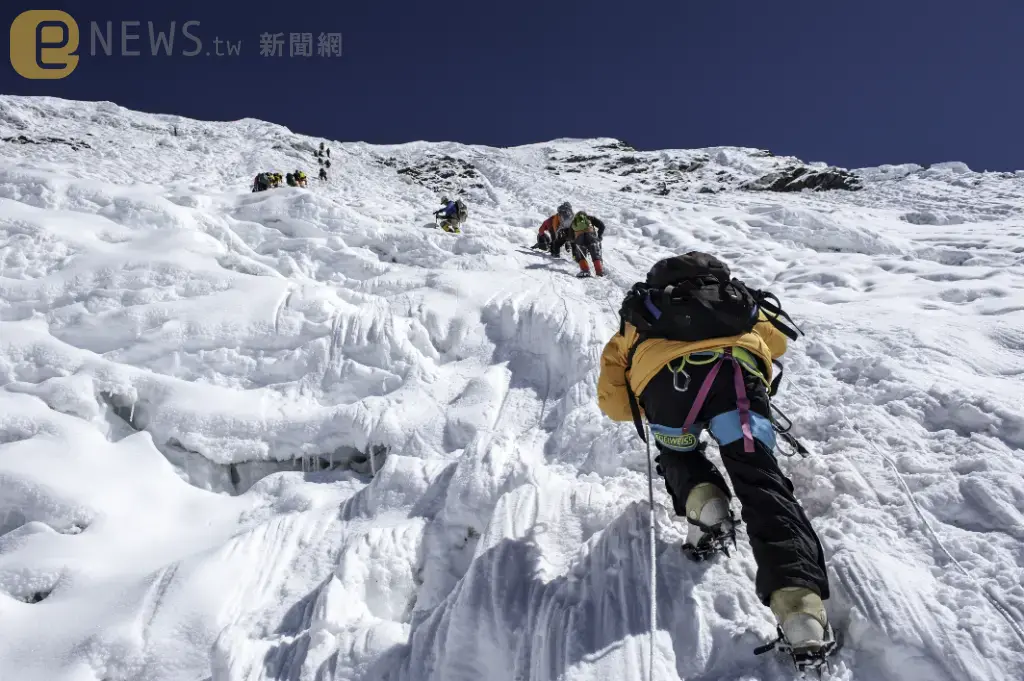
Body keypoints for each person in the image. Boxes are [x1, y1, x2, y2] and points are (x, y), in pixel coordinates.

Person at [596, 251, 833, 665]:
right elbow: (776, 343)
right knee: (760, 478)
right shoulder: (734, 298)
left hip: (668, 389)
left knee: (678, 454)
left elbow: (616, 402)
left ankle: (705, 504)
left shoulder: (642, 312)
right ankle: (799, 611)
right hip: (738, 381)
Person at [565, 210, 605, 277]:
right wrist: (599, 235)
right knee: (595, 254)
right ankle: (599, 271)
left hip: (580, 239)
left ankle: (585, 271)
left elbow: (570, 237)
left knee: (581, 256)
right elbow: (602, 225)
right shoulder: (589, 218)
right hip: (591, 236)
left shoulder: (574, 222)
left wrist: (574, 241)